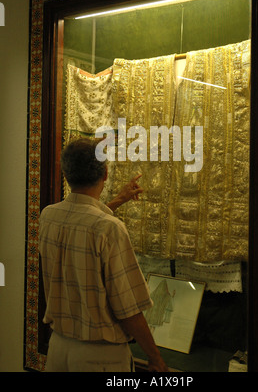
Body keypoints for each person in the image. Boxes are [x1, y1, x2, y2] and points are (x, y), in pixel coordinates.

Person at [39, 138, 168, 372]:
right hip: (99, 357)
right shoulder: (110, 229)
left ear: (66, 174)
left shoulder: (48, 216)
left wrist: (118, 200)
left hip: (58, 348)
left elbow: (81, 220)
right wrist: (155, 357)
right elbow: (128, 309)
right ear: (105, 173)